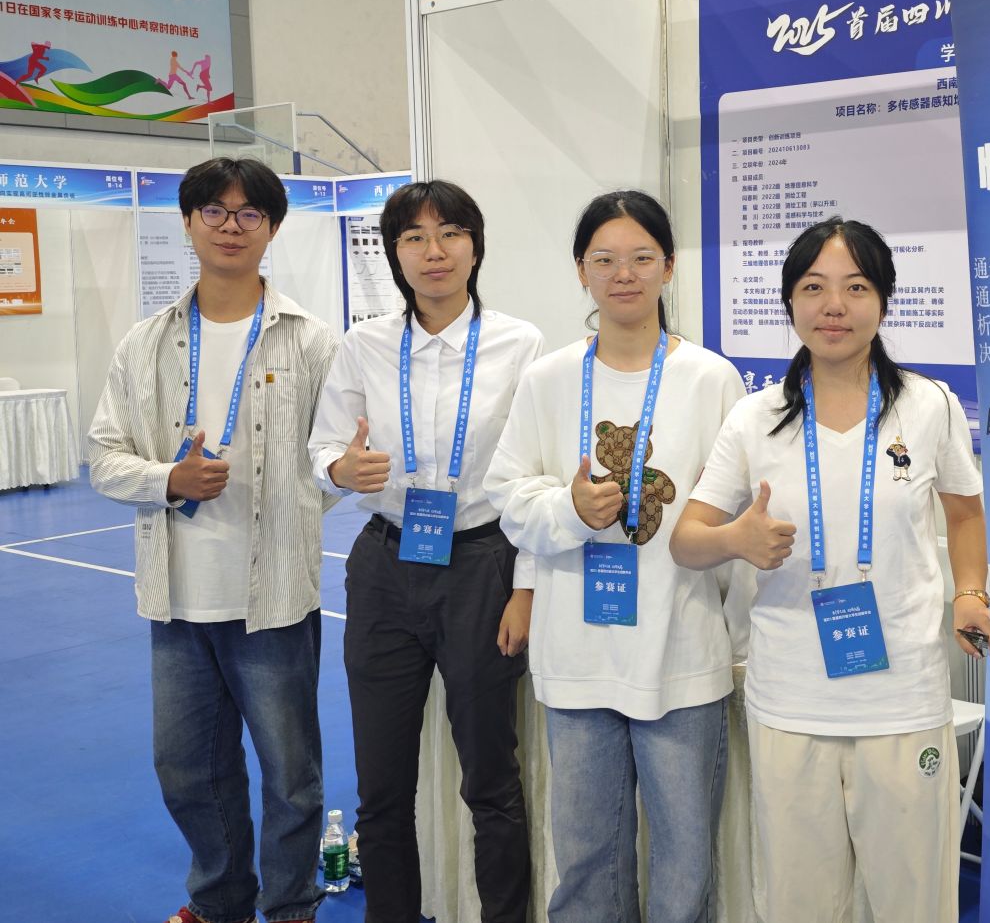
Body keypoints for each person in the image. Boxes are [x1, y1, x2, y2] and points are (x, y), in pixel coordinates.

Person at [671, 215, 990, 923]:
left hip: (903, 696)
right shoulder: (755, 417)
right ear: (790, 301)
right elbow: (686, 541)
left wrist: (970, 592)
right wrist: (736, 540)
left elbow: (965, 514)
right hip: (790, 699)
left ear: (883, 300)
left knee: (913, 901)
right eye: (814, 288)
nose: (834, 307)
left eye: (856, 287)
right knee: (798, 903)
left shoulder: (929, 405)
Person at [89, 156, 338, 923]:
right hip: (177, 601)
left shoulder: (311, 341)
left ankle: (291, 905)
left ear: (272, 228)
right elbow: (104, 457)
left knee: (291, 776)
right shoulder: (145, 343)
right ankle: (221, 899)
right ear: (189, 221)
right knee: (187, 770)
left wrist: (311, 490)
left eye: (250, 213)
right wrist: (170, 478)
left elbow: (330, 462)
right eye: (215, 211)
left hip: (275, 597)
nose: (232, 226)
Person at [484, 190, 743, 923]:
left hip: (681, 648)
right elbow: (508, 496)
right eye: (604, 259)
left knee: (686, 857)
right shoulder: (549, 378)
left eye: (640, 258)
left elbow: (734, 520)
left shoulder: (712, 379)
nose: (623, 274)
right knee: (586, 856)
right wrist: (569, 510)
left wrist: (741, 638)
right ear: (581, 271)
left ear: (668, 267)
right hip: (578, 653)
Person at [309, 180, 541, 923]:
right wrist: (341, 469)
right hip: (385, 563)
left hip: (482, 564)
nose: (433, 251)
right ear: (394, 253)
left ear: (475, 246)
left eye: (450, 234)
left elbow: (536, 475)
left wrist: (525, 587)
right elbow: (322, 447)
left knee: (491, 780)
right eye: (413, 237)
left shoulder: (521, 344)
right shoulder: (364, 345)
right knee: (380, 786)